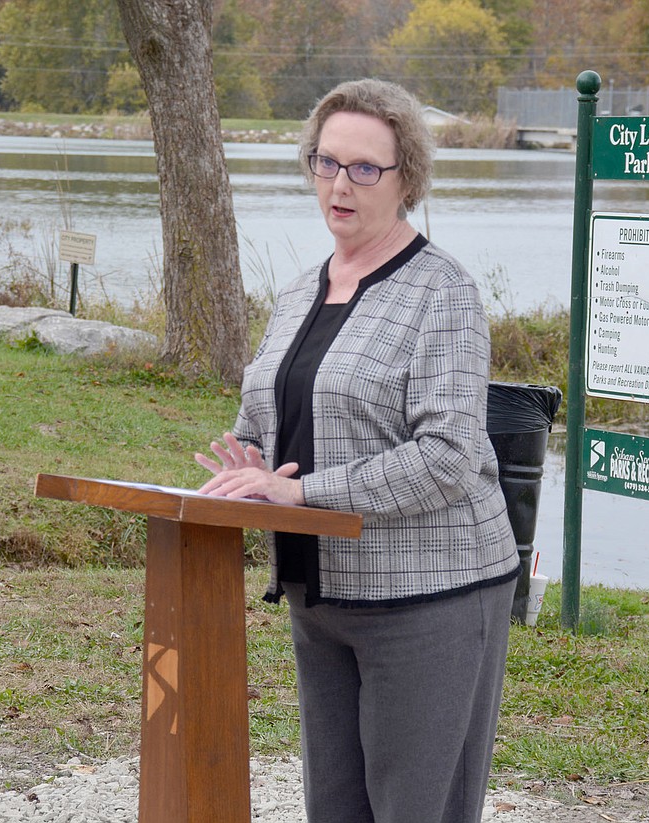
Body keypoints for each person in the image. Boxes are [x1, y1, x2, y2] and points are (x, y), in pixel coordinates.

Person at [195, 78, 520, 823]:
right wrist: (250, 462)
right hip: (321, 592)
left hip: (431, 595)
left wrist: (301, 494)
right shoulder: (298, 290)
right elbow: (263, 412)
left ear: (407, 179)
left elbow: (446, 457)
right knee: (335, 807)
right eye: (326, 162)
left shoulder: (444, 293)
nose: (340, 184)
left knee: (415, 808)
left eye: (364, 168)